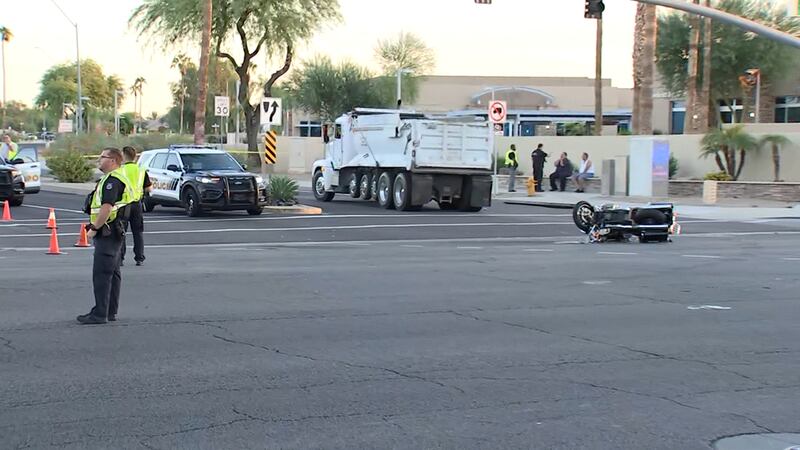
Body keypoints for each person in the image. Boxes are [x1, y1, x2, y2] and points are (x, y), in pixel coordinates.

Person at [77, 147, 134, 325]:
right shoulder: (115, 178)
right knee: (113, 272)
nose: (99, 160)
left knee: (102, 273)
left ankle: (100, 313)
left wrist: (94, 227)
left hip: (108, 231)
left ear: (113, 161)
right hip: (116, 230)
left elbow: (107, 208)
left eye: (103, 157)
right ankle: (110, 311)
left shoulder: (112, 181)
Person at [120, 146, 152, 266]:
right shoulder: (141, 171)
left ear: (123, 155)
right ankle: (139, 257)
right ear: (135, 156)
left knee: (121, 232)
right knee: (138, 232)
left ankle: (120, 258)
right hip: (137, 204)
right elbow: (149, 187)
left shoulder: (121, 170)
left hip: (123, 205)